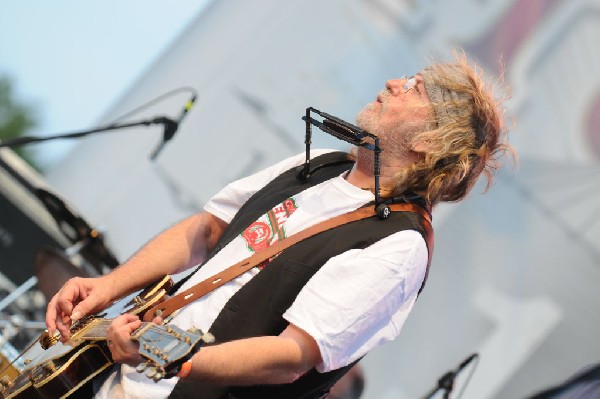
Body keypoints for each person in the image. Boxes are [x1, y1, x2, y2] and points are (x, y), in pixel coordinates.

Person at [45, 53, 513, 399]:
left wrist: (171, 359)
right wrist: (107, 286)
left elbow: (292, 357)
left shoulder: (400, 248)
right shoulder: (324, 165)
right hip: (118, 379)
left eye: (415, 88)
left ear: (431, 140)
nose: (394, 82)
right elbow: (209, 229)